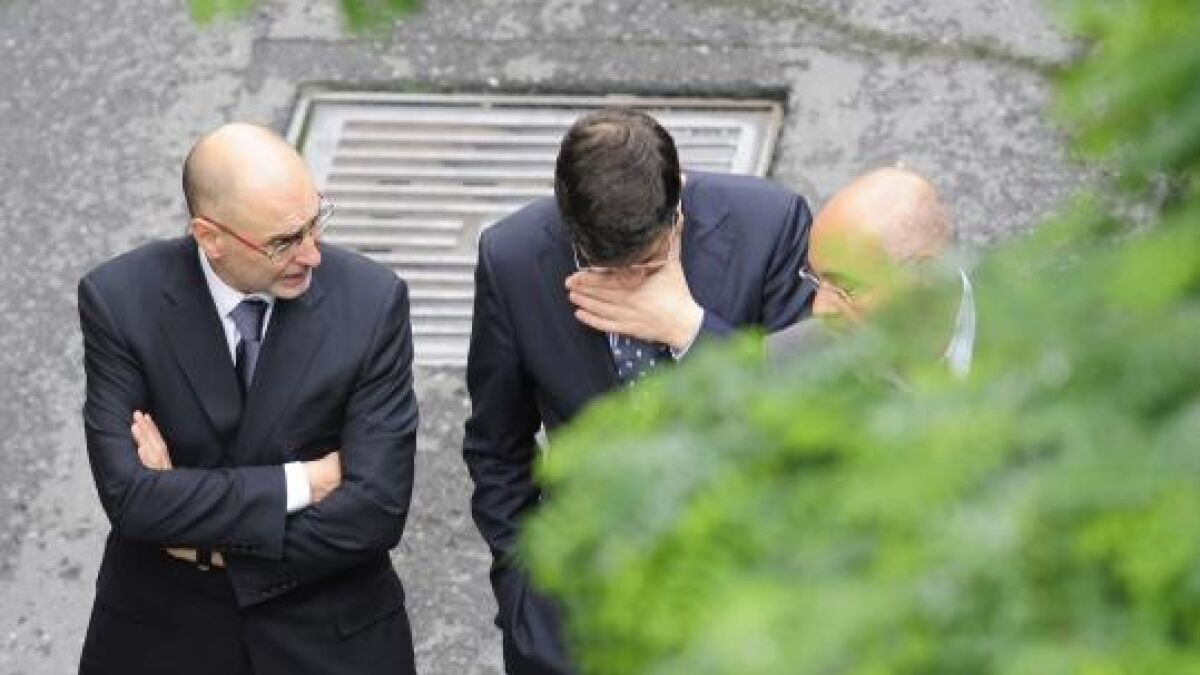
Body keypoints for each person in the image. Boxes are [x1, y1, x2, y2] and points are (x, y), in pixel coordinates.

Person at [463, 107, 814, 674]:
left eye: (648, 262)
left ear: (678, 205)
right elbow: (497, 447)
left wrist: (690, 331)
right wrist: (523, 591)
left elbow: (811, 406)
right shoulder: (512, 257)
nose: (630, 286)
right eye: (604, 269)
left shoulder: (770, 225)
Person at [76, 123, 419, 674]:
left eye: (316, 222)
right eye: (285, 241)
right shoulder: (120, 301)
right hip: (163, 641)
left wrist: (202, 540)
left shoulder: (372, 303)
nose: (312, 254)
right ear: (209, 237)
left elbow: (375, 512)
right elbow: (132, 499)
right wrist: (302, 483)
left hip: (330, 641)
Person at [768, 167, 975, 376]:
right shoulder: (784, 364)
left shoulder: (997, 322)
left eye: (846, 287)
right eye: (816, 279)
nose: (819, 309)